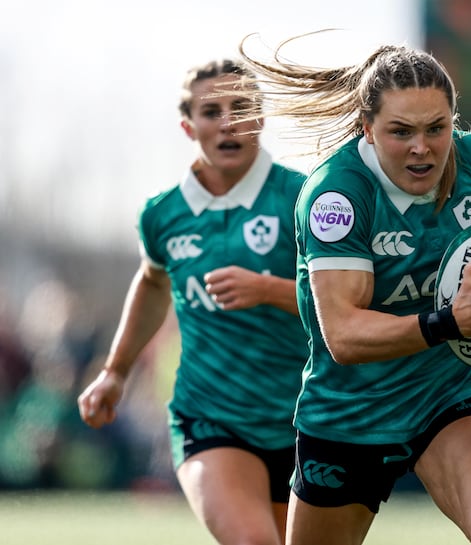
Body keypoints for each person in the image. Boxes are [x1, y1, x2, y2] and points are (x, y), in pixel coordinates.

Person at [238, 34, 471, 545]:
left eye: (436, 129)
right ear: (367, 130)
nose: (422, 147)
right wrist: (452, 320)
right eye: (401, 132)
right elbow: (345, 336)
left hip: (446, 398)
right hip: (349, 413)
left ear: (454, 122)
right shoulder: (337, 196)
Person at [77, 59, 308, 545]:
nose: (228, 122)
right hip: (210, 417)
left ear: (261, 118)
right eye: (212, 111)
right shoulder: (163, 214)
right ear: (189, 126)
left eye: (241, 107)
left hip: (307, 419)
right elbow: (153, 283)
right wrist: (115, 372)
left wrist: (268, 290)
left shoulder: (303, 199)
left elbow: (346, 302)